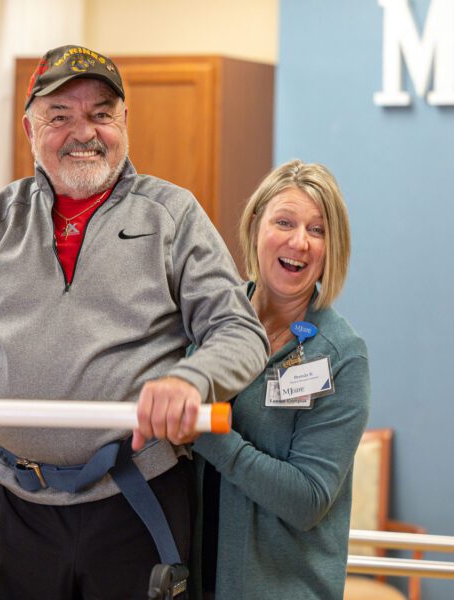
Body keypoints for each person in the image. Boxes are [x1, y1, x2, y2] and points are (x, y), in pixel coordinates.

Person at [0, 44, 268, 600]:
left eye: (100, 114)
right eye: (60, 116)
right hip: (16, 512)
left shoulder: (172, 216)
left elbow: (239, 330)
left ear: (124, 122)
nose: (83, 132)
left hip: (135, 504)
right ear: (29, 130)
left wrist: (191, 380)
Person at [189, 160, 370, 600]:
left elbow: (307, 499)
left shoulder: (340, 354)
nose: (299, 242)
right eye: (284, 222)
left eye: (317, 230)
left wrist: (208, 432)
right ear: (255, 227)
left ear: (332, 248)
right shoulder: (208, 319)